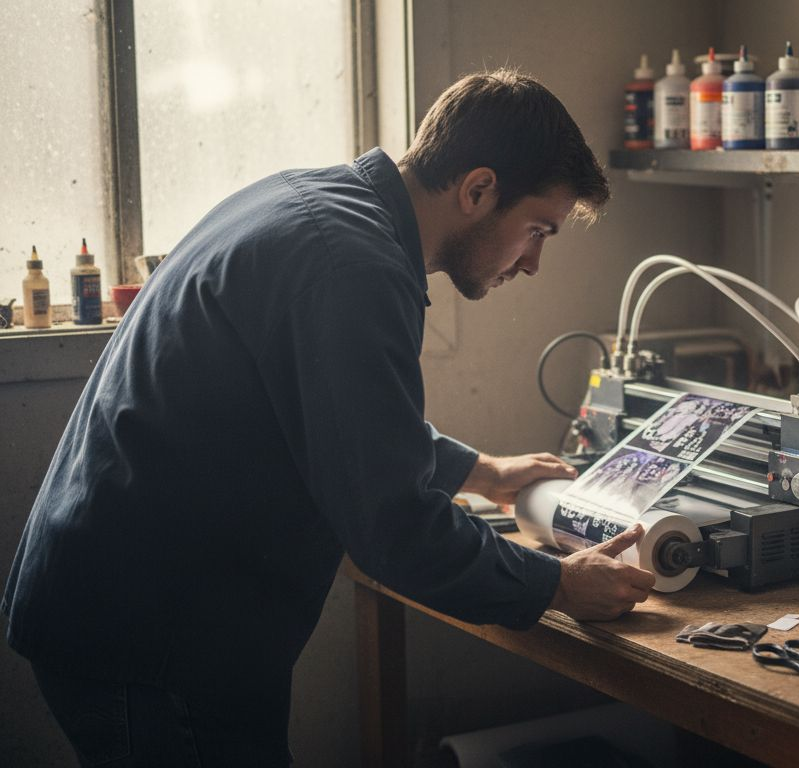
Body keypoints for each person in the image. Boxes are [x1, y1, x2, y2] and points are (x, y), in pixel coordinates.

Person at [3, 69, 656, 766]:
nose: (532, 264)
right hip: (156, 642)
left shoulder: (316, 203)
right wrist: (556, 583)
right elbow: (395, 530)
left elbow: (330, 415)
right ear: (477, 190)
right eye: (536, 231)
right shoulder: (354, 268)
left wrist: (479, 471)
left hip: (117, 607)